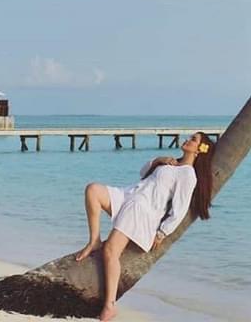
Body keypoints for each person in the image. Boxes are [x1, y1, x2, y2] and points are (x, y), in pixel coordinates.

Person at [75, 131, 214, 321]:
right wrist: (159, 160)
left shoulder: (188, 174)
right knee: (93, 190)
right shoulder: (172, 162)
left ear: (199, 150)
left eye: (193, 139)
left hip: (141, 210)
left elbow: (180, 209)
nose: (187, 139)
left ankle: (110, 305)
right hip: (128, 195)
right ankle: (94, 241)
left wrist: (163, 232)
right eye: (190, 137)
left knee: (111, 251)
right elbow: (143, 172)